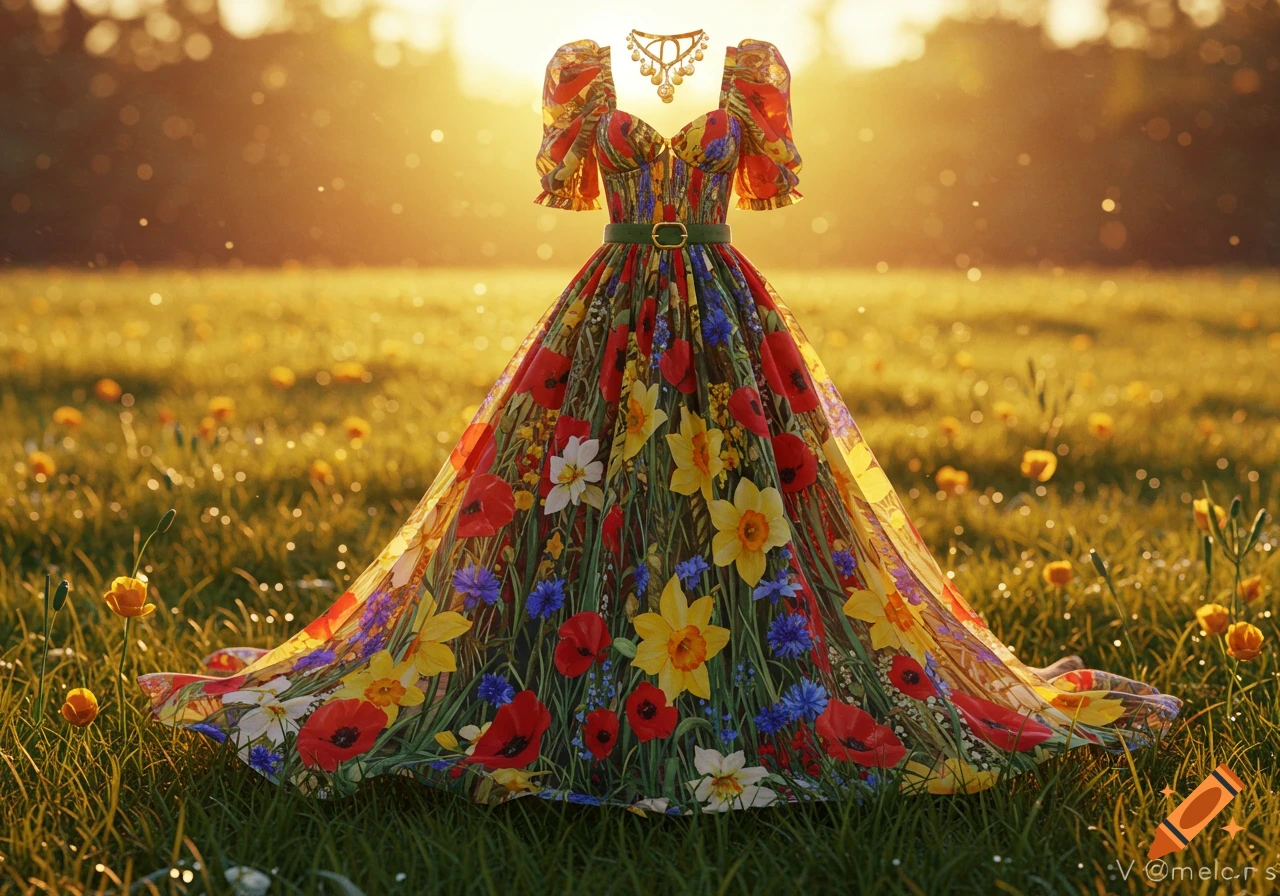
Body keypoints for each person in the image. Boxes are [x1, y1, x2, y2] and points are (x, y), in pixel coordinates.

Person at [140, 31, 1180, 812]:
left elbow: (768, 185)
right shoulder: (583, 67)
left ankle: (743, 666)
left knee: (752, 484)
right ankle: (563, 660)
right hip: (612, 298)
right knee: (568, 478)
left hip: (723, 305)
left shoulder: (754, 69)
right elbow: (562, 181)